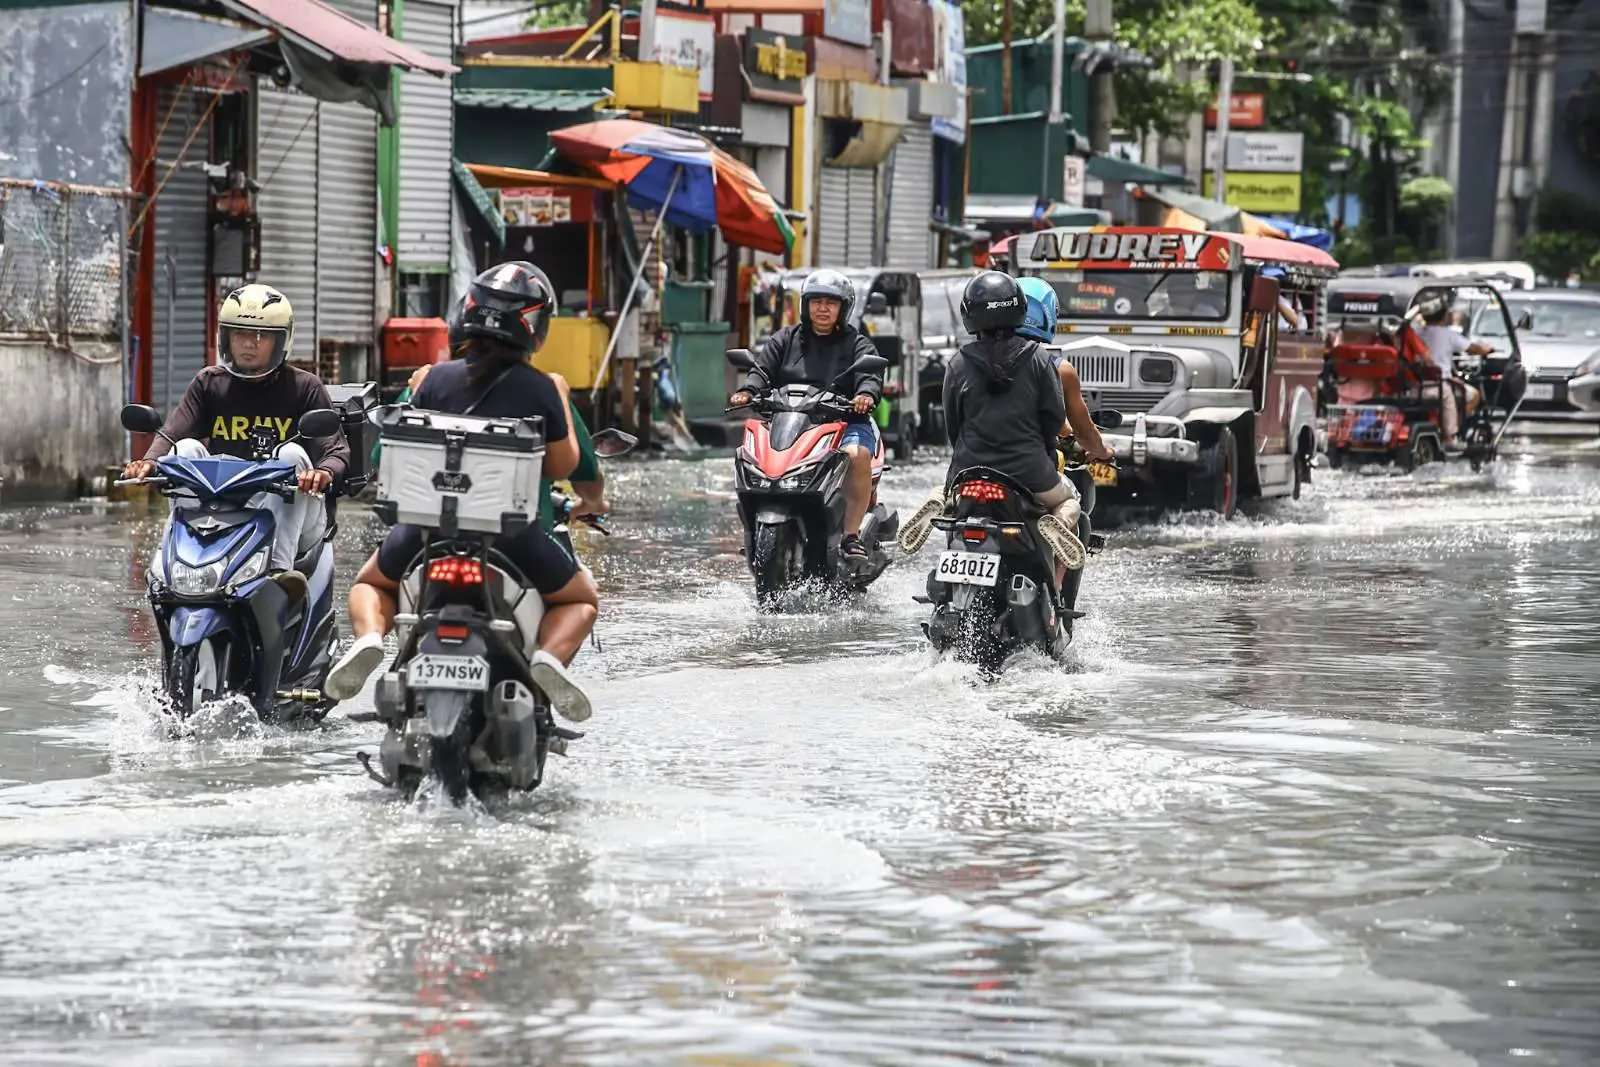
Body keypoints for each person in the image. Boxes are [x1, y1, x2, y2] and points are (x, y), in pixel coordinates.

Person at [324, 262, 597, 721]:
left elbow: (389, 453)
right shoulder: (540, 388)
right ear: (534, 327)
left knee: (370, 583)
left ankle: (370, 639)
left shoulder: (433, 379)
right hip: (513, 536)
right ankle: (549, 658)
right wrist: (560, 399)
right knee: (581, 598)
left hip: (425, 531)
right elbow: (562, 465)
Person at [121, 283, 349, 606]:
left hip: (298, 518)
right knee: (185, 450)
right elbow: (172, 434)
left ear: (281, 341)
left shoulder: (305, 388)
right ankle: (174, 563)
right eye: (240, 333)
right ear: (225, 337)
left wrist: (323, 472)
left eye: (261, 336)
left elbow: (336, 451)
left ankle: (277, 574)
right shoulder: (209, 384)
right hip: (228, 511)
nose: (249, 344)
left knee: (292, 454)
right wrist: (150, 462)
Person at [728, 268, 882, 563]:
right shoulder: (785, 339)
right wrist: (749, 391)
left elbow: (869, 374)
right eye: (816, 301)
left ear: (843, 308)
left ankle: (850, 536)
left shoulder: (857, 343)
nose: (822, 309)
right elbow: (762, 369)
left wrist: (864, 396)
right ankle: (754, 529)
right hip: (792, 422)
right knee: (750, 453)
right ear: (806, 305)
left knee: (857, 455)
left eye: (831, 303)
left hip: (844, 422)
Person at [946, 272, 1089, 582]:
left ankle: (943, 503)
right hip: (1029, 473)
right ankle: (1059, 530)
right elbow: (1052, 418)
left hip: (968, 472)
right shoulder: (1039, 359)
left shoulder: (958, 362)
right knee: (1069, 500)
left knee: (953, 511)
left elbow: (951, 425)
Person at [1416, 301, 1492, 446]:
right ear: (1444, 316)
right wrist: (1487, 349)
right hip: (1439, 383)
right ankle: (1452, 433)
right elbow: (1473, 349)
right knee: (1474, 396)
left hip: (1415, 382)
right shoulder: (1448, 334)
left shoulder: (1415, 332)